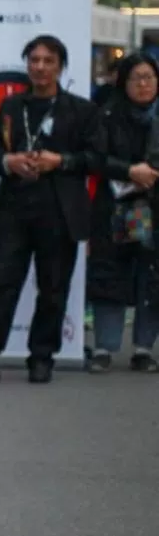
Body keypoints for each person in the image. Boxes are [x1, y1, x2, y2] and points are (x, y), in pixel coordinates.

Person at [0, 35, 102, 384]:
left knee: (52, 287)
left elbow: (96, 159)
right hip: (15, 208)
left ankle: (42, 357)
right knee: (1, 282)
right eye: (34, 60)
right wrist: (9, 160)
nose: (40, 67)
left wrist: (59, 161)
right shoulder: (11, 106)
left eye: (49, 61)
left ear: (61, 66)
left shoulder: (82, 111)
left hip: (60, 211)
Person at [89, 53, 159, 370]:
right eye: (136, 78)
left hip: (154, 205)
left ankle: (143, 348)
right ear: (123, 82)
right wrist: (130, 171)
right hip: (119, 205)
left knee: (151, 277)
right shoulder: (107, 114)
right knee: (111, 274)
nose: (143, 84)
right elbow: (95, 158)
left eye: (149, 77)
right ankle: (105, 346)